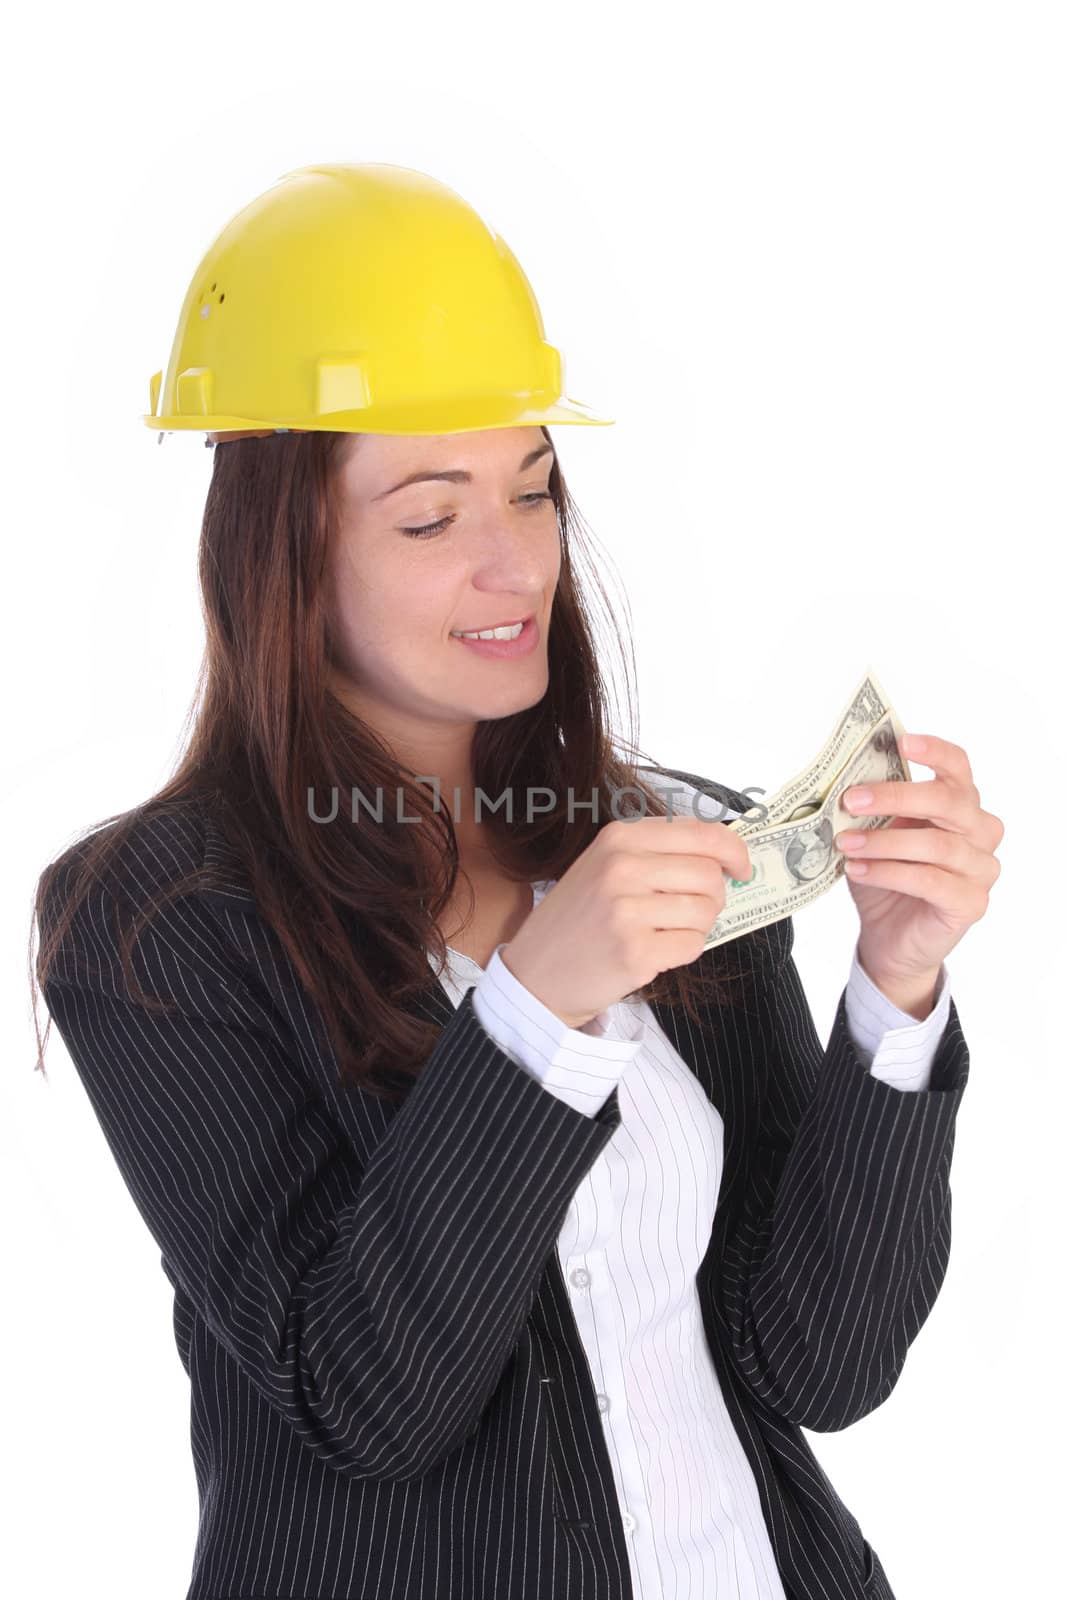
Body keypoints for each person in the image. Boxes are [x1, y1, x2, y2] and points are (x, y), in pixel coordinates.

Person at [31, 163, 1003, 1600]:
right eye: (430, 519)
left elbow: (819, 1362)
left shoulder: (655, 838)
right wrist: (540, 1012)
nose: (514, 566)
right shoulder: (153, 921)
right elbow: (360, 1399)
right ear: (282, 553)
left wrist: (896, 990)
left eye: (534, 490)